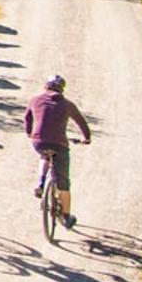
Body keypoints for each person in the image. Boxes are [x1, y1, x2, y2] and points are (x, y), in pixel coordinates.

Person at [27, 73, 90, 237]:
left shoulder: (35, 100)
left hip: (38, 142)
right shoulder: (68, 105)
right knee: (63, 183)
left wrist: (30, 134)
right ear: (62, 89)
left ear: (46, 86)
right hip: (59, 145)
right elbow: (81, 123)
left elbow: (27, 119)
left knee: (44, 156)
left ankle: (40, 184)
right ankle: (67, 216)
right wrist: (86, 138)